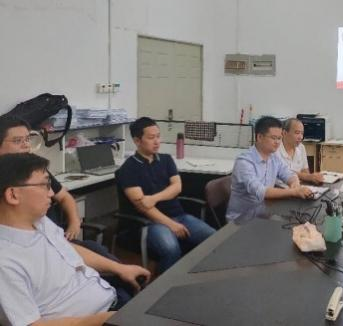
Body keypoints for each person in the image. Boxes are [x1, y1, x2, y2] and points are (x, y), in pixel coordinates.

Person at [0, 153, 150, 325]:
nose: (51, 193)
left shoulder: (40, 221)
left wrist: (120, 268)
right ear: (13, 195)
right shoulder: (5, 261)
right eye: (45, 185)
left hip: (109, 297)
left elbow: (67, 249)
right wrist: (104, 319)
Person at [116, 117, 215, 274]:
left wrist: (153, 198)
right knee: (171, 249)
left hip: (179, 216)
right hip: (150, 223)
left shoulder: (166, 160)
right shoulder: (128, 169)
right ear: (137, 141)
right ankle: (161, 285)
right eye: (151, 137)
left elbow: (177, 187)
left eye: (158, 136)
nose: (157, 141)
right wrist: (171, 224)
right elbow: (143, 207)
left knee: (214, 238)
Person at [0, 115, 82, 239]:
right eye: (17, 141)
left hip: (53, 235)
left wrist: (74, 223)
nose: (26, 145)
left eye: (27, 139)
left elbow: (64, 196)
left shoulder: (36, 170)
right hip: (26, 241)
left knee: (95, 248)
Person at [226, 116, 313, 221]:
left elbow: (288, 174)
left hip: (265, 213)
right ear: (259, 137)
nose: (277, 142)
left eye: (279, 138)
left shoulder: (273, 157)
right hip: (242, 219)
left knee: (301, 222)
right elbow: (262, 192)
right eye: (273, 138)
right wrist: (294, 192)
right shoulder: (244, 162)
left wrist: (295, 183)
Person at [278, 118, 324, 184]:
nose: (300, 137)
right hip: (282, 187)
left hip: (298, 185)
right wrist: (308, 177)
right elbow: (283, 172)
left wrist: (313, 178)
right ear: (284, 133)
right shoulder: (275, 149)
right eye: (297, 133)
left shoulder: (301, 147)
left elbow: (305, 171)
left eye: (302, 133)